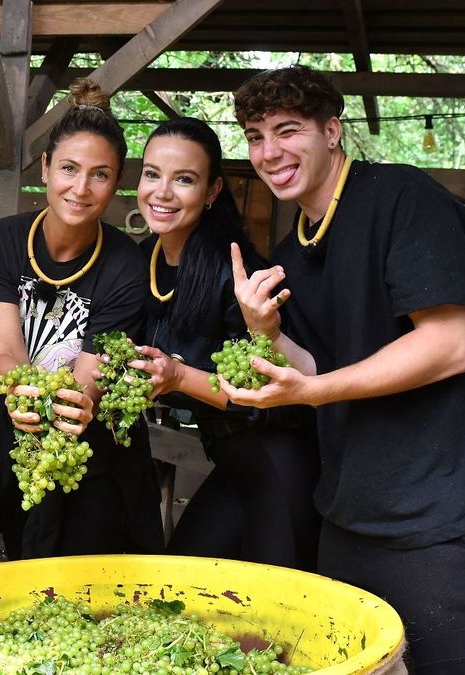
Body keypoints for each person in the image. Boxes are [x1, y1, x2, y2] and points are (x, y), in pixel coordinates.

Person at [225, 65, 465, 673]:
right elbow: (319, 368)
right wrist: (268, 334)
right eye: (256, 136)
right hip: (353, 512)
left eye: (288, 131)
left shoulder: (405, 200)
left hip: (447, 512)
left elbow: (448, 346)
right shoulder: (295, 247)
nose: (269, 152)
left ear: (332, 130)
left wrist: (313, 389)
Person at [0, 79, 166, 560]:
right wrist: (18, 392)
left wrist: (75, 401)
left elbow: (89, 374)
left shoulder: (124, 264)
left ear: (116, 182)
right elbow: (6, 352)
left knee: (88, 587)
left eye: (99, 175)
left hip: (93, 461)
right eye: (69, 169)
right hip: (20, 442)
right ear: (45, 168)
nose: (80, 188)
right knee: (20, 579)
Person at [126, 117, 320, 570]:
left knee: (275, 618)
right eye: (152, 174)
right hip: (233, 468)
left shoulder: (237, 274)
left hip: (281, 465)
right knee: (182, 589)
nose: (162, 192)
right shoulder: (139, 261)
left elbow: (265, 399)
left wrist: (177, 376)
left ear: (212, 191)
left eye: (185, 180)